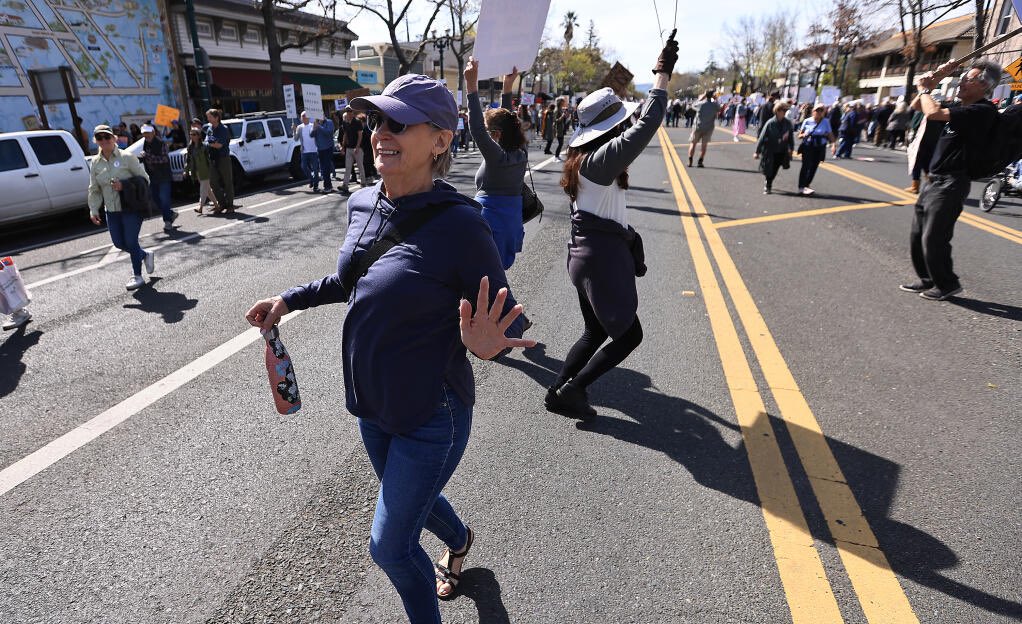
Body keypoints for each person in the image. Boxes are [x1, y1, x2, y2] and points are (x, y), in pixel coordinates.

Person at [244, 72, 534, 623]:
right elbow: (353, 279)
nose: (381, 132)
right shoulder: (362, 202)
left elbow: (508, 321)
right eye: (378, 119)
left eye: (400, 123)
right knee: (411, 508)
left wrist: (487, 346)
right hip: (371, 405)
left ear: (441, 141)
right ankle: (461, 536)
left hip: (431, 414)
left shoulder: (461, 227)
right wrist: (288, 299)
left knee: (390, 547)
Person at [545, 33, 677, 419]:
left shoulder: (583, 158)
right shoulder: (601, 162)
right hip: (601, 260)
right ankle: (574, 389)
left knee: (594, 332)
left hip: (585, 256)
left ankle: (558, 393)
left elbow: (637, 125)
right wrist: (662, 74)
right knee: (629, 335)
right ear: (610, 128)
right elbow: (648, 122)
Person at [900, 61, 1000, 301]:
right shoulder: (959, 106)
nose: (962, 82)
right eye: (963, 77)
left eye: (969, 79)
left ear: (985, 86)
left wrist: (926, 90)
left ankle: (947, 284)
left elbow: (933, 112)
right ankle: (927, 278)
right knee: (918, 234)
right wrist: (934, 81)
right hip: (933, 180)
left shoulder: (982, 111)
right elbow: (918, 106)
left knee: (934, 236)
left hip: (952, 182)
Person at [464, 59, 529, 270]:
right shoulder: (520, 153)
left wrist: (471, 87)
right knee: (496, 278)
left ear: (497, 134)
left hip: (489, 226)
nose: (487, 135)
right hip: (510, 225)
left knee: (485, 283)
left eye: (489, 130)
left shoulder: (497, 158)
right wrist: (507, 88)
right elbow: (508, 121)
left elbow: (476, 129)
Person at [88, 125, 155, 291]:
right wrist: (93, 209)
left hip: (131, 208)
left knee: (131, 242)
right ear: (96, 141)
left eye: (107, 137)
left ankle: (137, 275)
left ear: (114, 138)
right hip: (111, 211)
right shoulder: (95, 163)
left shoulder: (127, 157)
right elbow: (94, 189)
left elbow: (145, 180)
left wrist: (124, 185)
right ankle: (145, 255)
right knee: (119, 243)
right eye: (99, 138)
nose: (104, 141)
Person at [139, 124, 177, 232]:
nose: (146, 135)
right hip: (152, 176)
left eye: (147, 132)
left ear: (153, 132)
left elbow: (164, 159)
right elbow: (147, 158)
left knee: (164, 199)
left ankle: (167, 222)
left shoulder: (161, 143)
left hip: (164, 176)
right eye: (144, 133)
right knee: (156, 199)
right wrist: (140, 158)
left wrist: (147, 156)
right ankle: (170, 214)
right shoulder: (145, 144)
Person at [754, 100, 795, 195]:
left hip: (781, 150)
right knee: (769, 168)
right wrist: (757, 151)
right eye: (782, 110)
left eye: (785, 110)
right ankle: (768, 185)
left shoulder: (788, 123)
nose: (784, 112)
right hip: (770, 149)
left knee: (775, 168)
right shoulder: (770, 123)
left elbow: (790, 138)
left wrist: (791, 149)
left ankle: (769, 181)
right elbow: (762, 137)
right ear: (777, 110)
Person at [796, 103, 836, 195]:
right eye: (817, 110)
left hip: (819, 147)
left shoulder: (826, 122)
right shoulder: (807, 121)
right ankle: (801, 187)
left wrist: (833, 145)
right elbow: (799, 135)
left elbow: (830, 134)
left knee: (814, 167)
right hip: (808, 146)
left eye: (821, 110)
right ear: (813, 111)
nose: (819, 112)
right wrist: (804, 135)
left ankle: (806, 184)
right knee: (805, 166)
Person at [184, 127, 220, 214]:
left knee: (203, 188)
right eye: (191, 134)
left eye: (194, 134)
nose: (192, 136)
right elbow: (188, 160)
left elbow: (210, 158)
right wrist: (186, 170)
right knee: (207, 189)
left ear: (199, 136)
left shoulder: (204, 146)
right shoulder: (190, 147)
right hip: (197, 171)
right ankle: (216, 205)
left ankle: (200, 207)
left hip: (206, 170)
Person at [205, 108, 235, 213]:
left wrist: (210, 143)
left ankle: (230, 205)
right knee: (213, 182)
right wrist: (210, 143)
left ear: (216, 117)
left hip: (223, 158)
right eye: (207, 116)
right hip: (213, 158)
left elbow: (219, 145)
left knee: (227, 182)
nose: (208, 118)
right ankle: (222, 204)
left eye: (209, 116)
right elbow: (206, 142)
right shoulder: (209, 129)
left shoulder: (224, 129)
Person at [688, 89, 719, 167]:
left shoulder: (701, 104)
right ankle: (700, 161)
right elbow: (719, 109)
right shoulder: (715, 105)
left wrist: (702, 97)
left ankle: (690, 160)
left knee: (693, 144)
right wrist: (715, 99)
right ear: (712, 96)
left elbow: (693, 105)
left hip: (698, 126)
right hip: (708, 128)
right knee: (704, 145)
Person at [293, 111, 321, 192]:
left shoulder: (313, 125)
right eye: (302, 117)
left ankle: (315, 185)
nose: (304, 118)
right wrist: (294, 131)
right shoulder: (299, 127)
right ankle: (311, 179)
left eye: (305, 116)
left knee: (315, 169)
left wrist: (316, 127)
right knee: (303, 167)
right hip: (304, 151)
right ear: (301, 118)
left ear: (308, 117)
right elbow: (296, 139)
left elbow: (317, 135)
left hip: (314, 151)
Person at [338, 107, 364, 194]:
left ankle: (363, 184)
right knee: (348, 167)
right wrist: (343, 146)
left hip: (358, 148)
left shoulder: (357, 122)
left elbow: (360, 135)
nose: (348, 113)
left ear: (353, 113)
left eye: (350, 111)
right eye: (347, 111)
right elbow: (345, 135)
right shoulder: (344, 123)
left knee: (360, 166)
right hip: (349, 148)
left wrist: (357, 146)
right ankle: (345, 185)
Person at [314, 114, 336, 191]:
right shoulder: (316, 124)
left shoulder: (329, 122)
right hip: (320, 149)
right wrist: (314, 128)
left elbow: (329, 133)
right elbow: (311, 135)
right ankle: (329, 185)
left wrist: (319, 127)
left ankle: (327, 186)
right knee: (323, 169)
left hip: (328, 148)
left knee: (326, 167)